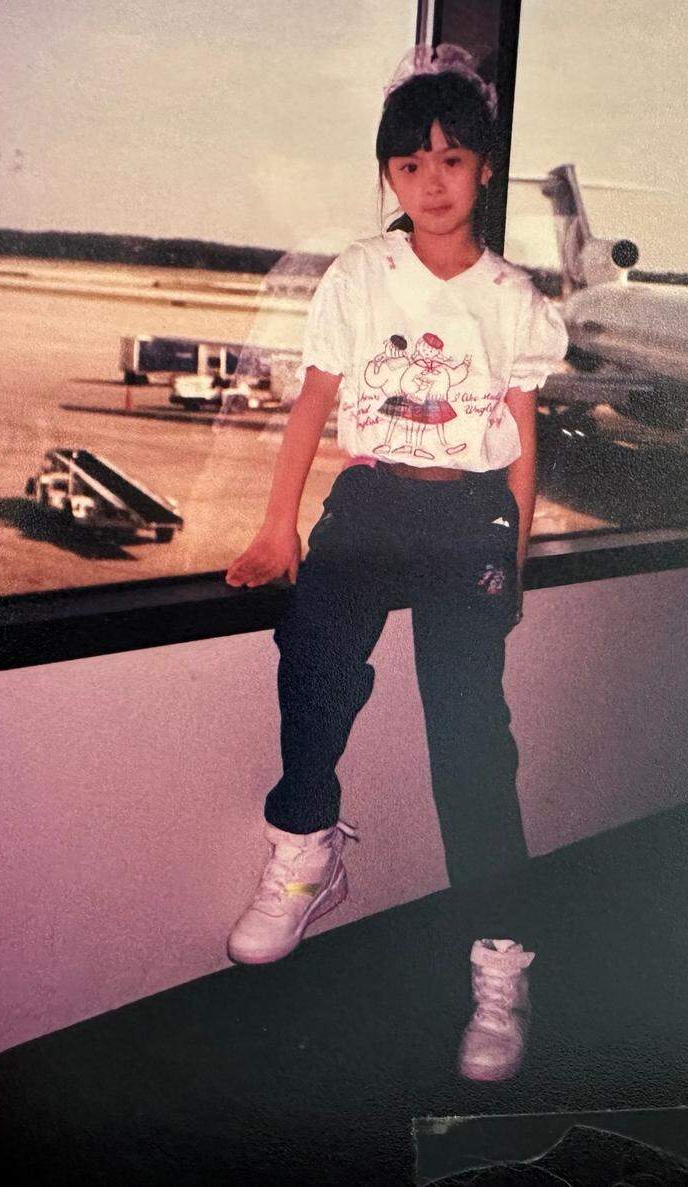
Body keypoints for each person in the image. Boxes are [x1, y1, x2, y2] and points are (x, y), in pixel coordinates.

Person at [223, 43, 568, 1083]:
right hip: (366, 505)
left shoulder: (512, 297)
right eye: (412, 162)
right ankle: (305, 843)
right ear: (388, 176)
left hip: (466, 518)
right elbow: (316, 401)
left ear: (484, 172)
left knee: (471, 736)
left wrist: (514, 547)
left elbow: (520, 429)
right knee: (313, 672)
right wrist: (278, 527)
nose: (432, 178)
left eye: (454, 159)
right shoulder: (357, 277)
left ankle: (499, 963)